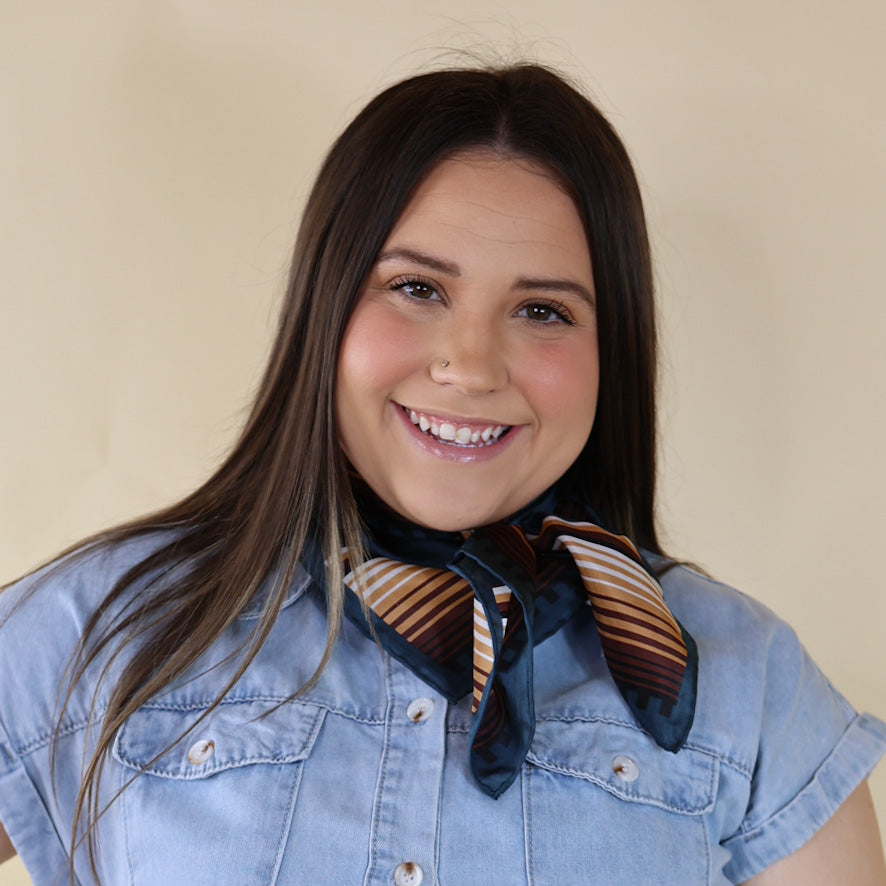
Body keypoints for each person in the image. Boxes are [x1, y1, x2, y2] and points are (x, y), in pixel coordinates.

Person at [0, 63, 884, 886]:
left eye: (543, 310)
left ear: (613, 349)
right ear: (327, 307)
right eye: (417, 289)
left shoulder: (746, 684)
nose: (471, 365)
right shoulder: (103, 627)